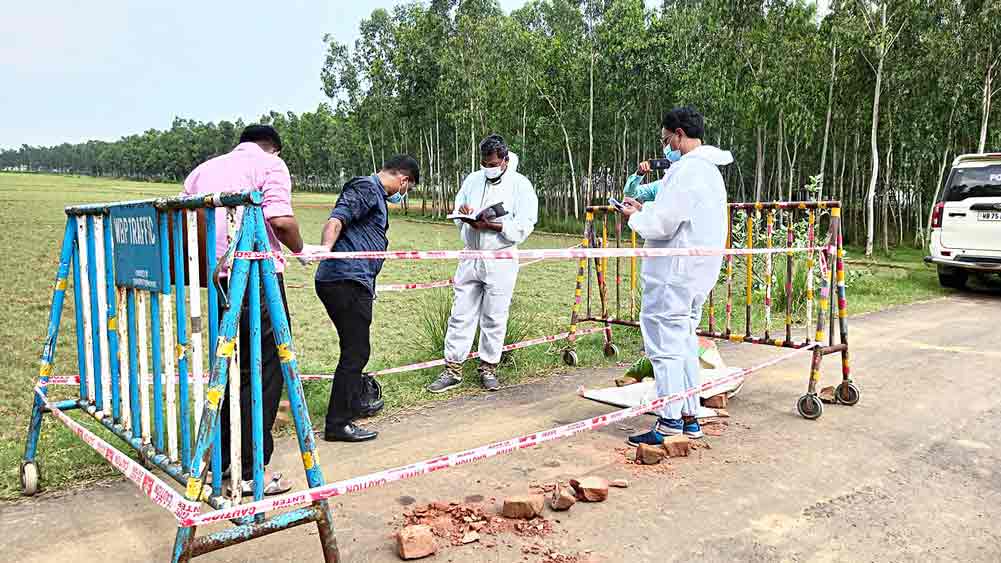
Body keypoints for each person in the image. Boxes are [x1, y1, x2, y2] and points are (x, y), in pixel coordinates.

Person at [182, 124, 302, 495]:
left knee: (227, 370)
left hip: (220, 281)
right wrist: (300, 248)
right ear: (274, 150)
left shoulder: (202, 171)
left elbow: (191, 224)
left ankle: (216, 461)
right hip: (257, 278)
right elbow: (280, 221)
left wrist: (209, 272)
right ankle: (251, 470)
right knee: (265, 373)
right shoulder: (270, 166)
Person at [618, 107, 732, 444]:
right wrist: (646, 210)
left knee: (665, 347)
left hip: (674, 275)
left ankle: (668, 422)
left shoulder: (687, 172)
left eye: (666, 140)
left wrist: (634, 217)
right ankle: (688, 416)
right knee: (683, 343)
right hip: (696, 274)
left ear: (679, 135)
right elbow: (679, 217)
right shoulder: (710, 173)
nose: (665, 146)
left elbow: (664, 225)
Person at [309, 155, 420, 442]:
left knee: (355, 348)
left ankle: (355, 402)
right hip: (345, 279)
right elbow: (337, 219)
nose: (403, 193)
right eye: (406, 188)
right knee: (356, 352)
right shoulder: (366, 188)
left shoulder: (377, 197)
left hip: (354, 280)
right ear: (403, 180)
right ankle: (337, 423)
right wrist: (324, 248)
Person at [427, 134, 538, 393]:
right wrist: (464, 214)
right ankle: (452, 369)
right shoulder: (472, 180)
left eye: (492, 163)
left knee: (495, 315)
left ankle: (488, 367)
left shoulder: (520, 185)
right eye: (484, 163)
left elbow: (525, 224)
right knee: (460, 313)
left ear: (505, 160)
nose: (488, 168)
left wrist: (492, 225)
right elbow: (459, 208)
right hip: (471, 254)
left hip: (501, 257)